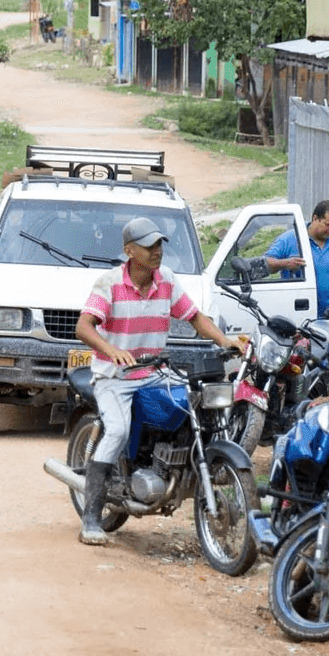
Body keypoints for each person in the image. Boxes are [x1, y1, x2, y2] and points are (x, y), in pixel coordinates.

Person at [73, 217, 249, 546]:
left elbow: (194, 317)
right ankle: (92, 517)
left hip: (153, 373)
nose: (157, 251)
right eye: (149, 246)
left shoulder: (166, 279)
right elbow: (84, 327)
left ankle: (170, 470)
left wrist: (224, 341)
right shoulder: (109, 283)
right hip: (114, 376)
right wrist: (113, 352)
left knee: (191, 407)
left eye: (159, 245)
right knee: (118, 430)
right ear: (129, 250)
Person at [267, 200, 329, 317]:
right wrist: (284, 263)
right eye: (328, 224)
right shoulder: (289, 239)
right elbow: (267, 263)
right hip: (295, 314)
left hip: (326, 317)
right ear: (315, 218)